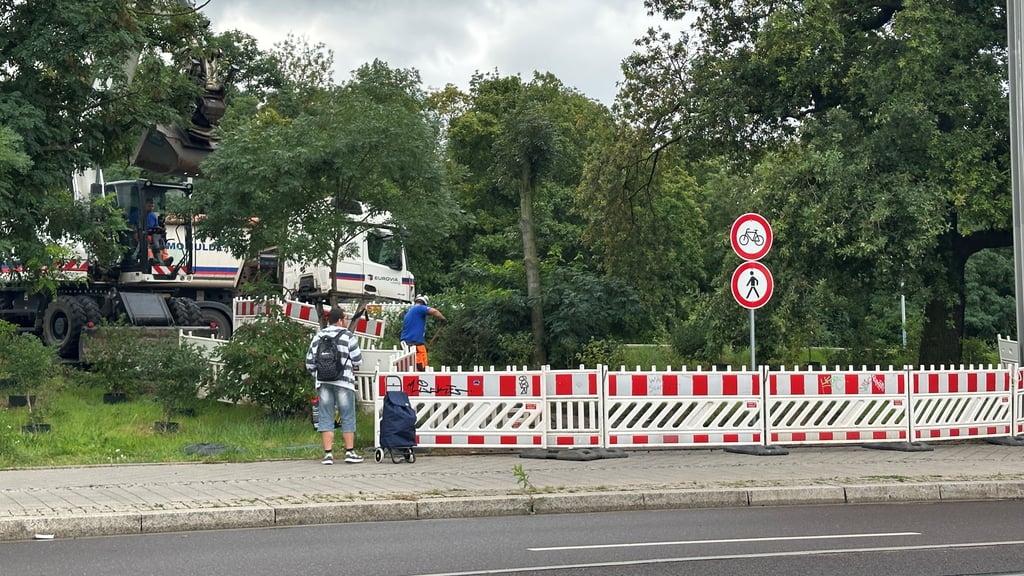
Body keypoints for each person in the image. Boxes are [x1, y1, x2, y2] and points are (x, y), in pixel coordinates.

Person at [305, 308, 364, 464]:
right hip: (344, 382)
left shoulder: (318, 336)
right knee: (347, 416)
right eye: (346, 318)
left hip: (323, 383)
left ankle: (328, 455)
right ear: (340, 320)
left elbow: (309, 362)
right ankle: (350, 452)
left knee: (325, 416)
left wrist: (318, 376)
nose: (346, 321)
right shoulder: (348, 336)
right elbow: (357, 360)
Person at [400, 294, 446, 371]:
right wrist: (443, 319)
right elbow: (434, 311)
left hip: (407, 342)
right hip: (415, 344)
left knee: (412, 366)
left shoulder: (410, 312)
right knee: (421, 367)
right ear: (424, 304)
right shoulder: (419, 309)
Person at [143, 199, 172, 265]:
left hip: (153, 234)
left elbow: (156, 225)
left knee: (162, 242)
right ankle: (151, 258)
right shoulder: (141, 215)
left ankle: (164, 259)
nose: (151, 208)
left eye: (152, 206)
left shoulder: (153, 215)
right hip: (144, 234)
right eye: (149, 206)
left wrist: (162, 229)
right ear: (144, 205)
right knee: (148, 243)